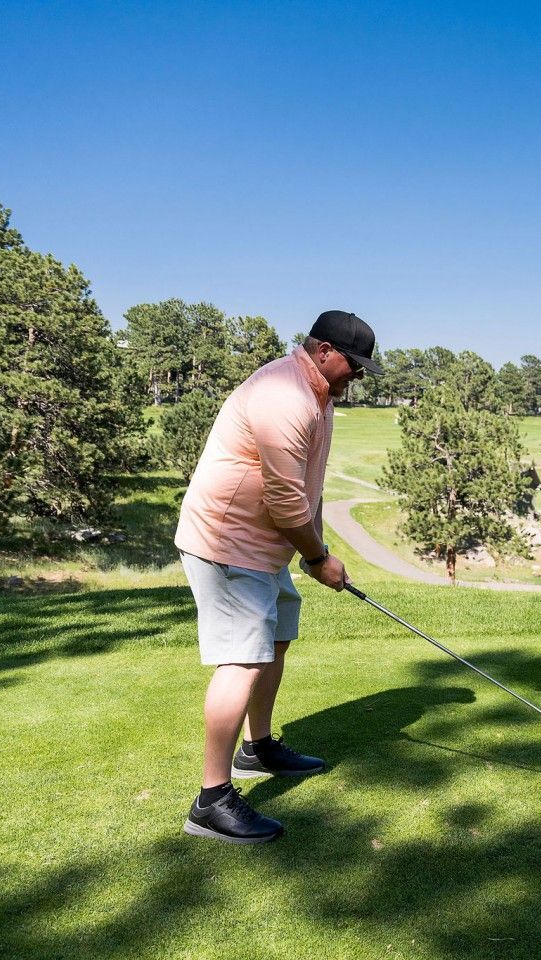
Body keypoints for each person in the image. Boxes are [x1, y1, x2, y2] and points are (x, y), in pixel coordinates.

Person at [174, 310, 384, 844]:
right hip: (227, 542)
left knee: (277, 636)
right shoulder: (282, 395)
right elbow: (285, 500)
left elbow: (307, 489)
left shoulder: (320, 398)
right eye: (352, 366)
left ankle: (257, 748)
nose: (355, 378)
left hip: (267, 546)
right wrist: (317, 559)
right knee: (242, 658)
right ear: (321, 350)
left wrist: (317, 547)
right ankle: (211, 800)